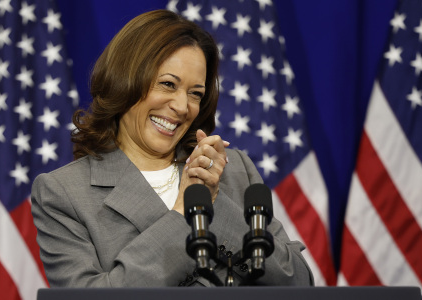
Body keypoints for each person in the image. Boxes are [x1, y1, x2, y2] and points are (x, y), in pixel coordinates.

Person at [31, 9, 313, 287]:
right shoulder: (63, 193)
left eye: (195, 94)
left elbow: (299, 282)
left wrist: (214, 203)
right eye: (168, 84)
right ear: (124, 79)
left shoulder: (235, 170)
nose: (181, 107)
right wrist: (184, 215)